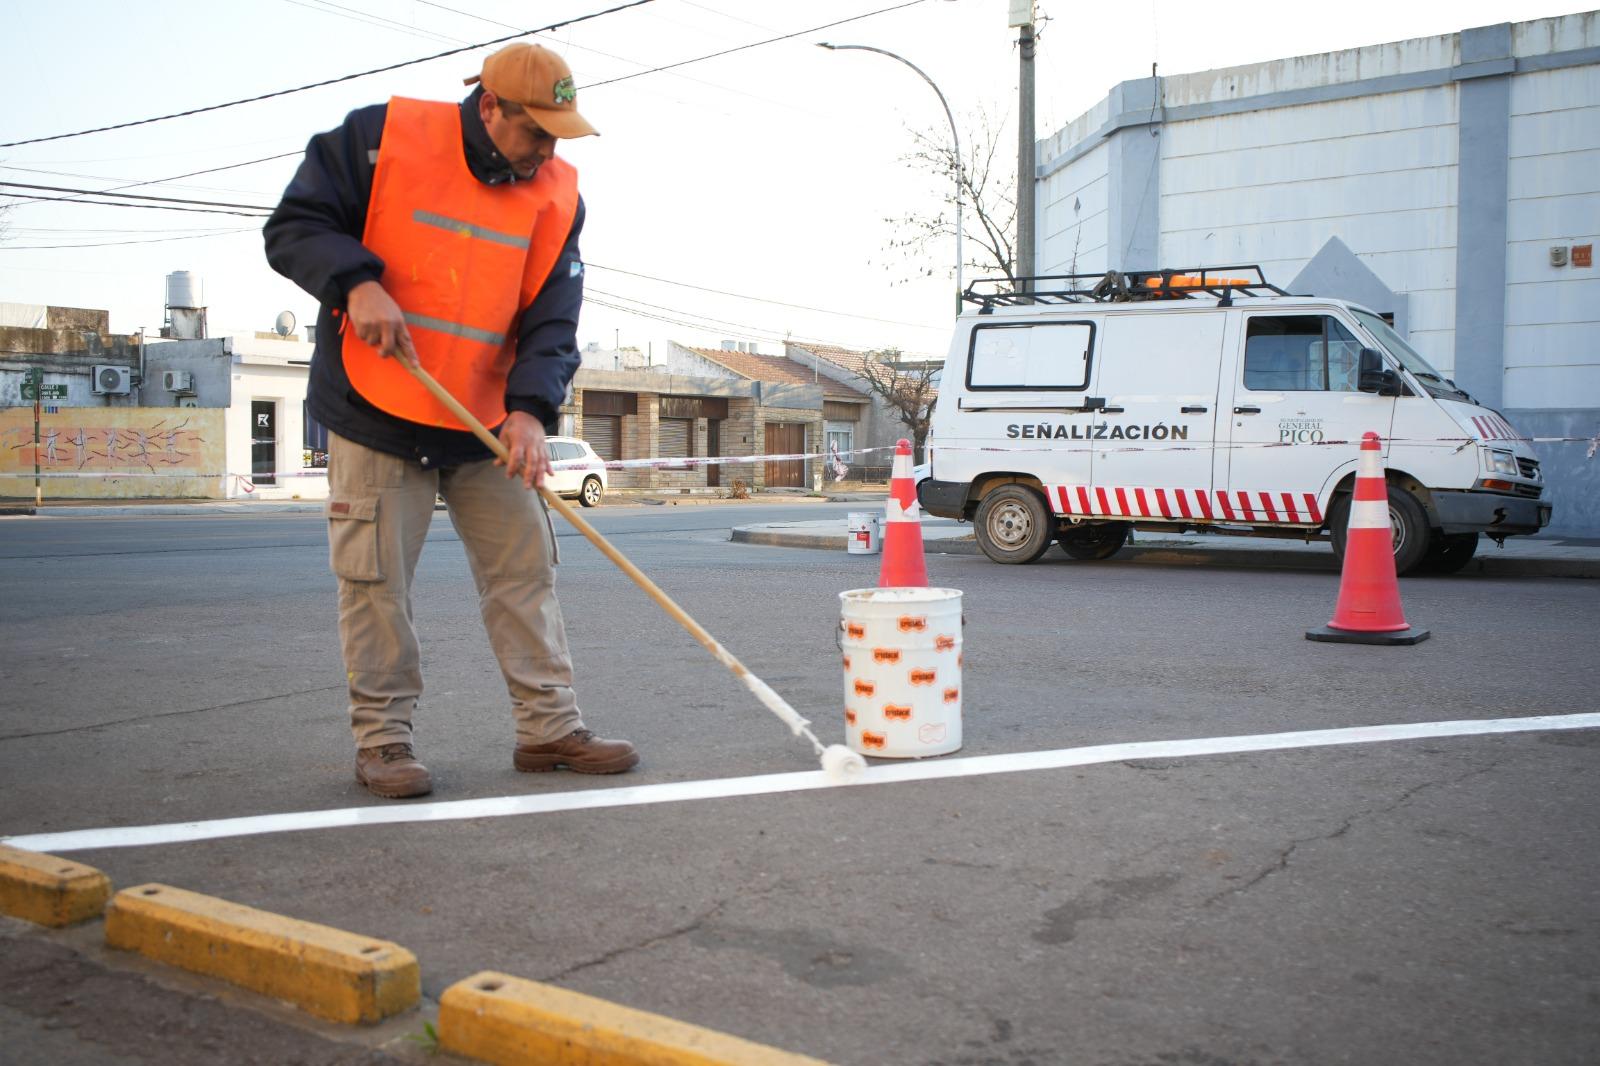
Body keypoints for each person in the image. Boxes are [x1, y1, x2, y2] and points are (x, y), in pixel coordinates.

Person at [264, 42, 638, 799]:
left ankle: (549, 729)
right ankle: (384, 742)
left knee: (525, 574)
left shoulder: (558, 194)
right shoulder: (378, 140)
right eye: (536, 132)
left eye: (559, 136)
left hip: (486, 422)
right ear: (490, 106)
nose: (547, 151)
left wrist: (531, 412)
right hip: (377, 405)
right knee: (375, 585)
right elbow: (295, 226)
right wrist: (355, 283)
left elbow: (553, 318)